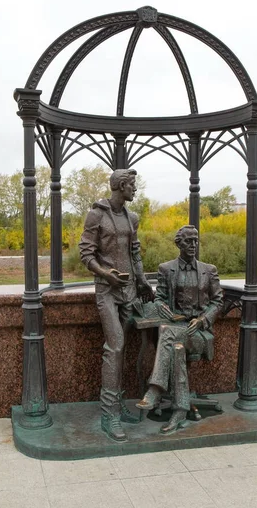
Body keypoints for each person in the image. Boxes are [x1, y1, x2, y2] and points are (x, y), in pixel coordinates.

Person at [79, 168, 154, 442]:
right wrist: (104, 273)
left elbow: (135, 252)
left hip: (129, 291)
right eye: (132, 185)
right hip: (107, 291)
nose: (135, 190)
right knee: (115, 346)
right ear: (121, 186)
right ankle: (108, 414)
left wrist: (143, 281)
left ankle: (118, 405)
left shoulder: (132, 217)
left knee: (122, 349)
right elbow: (86, 252)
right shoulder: (97, 214)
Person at [136, 225, 223, 434]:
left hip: (199, 333)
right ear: (178, 243)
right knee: (175, 347)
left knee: (167, 334)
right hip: (175, 327)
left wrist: (202, 320)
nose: (193, 244)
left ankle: (155, 390)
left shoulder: (208, 270)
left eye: (195, 240)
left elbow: (218, 302)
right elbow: (160, 297)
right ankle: (180, 409)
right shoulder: (166, 269)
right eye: (188, 241)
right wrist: (163, 307)